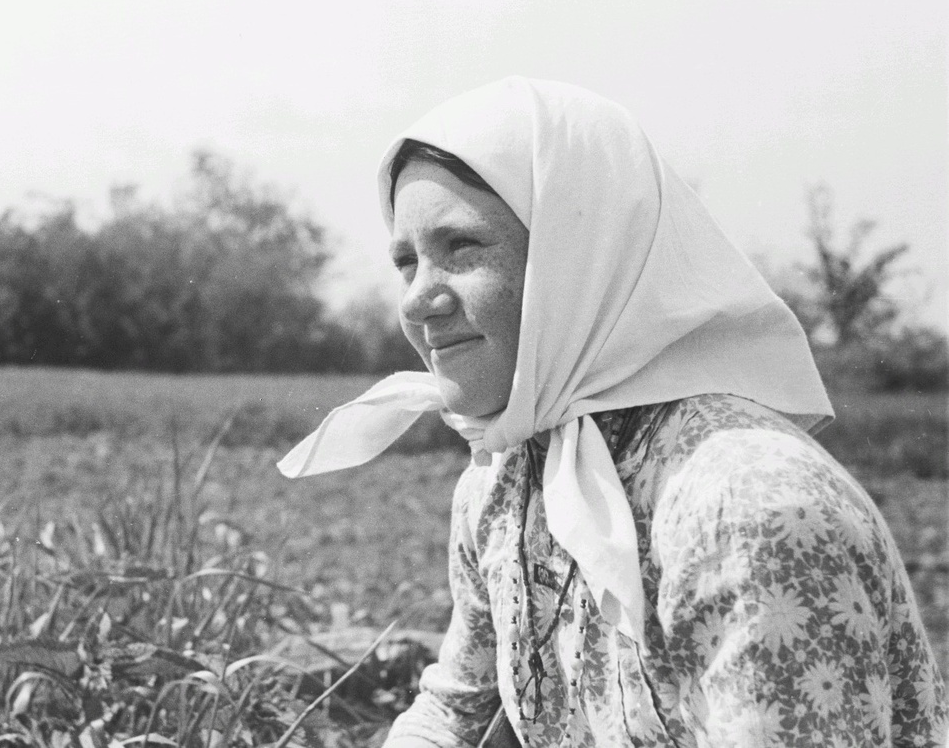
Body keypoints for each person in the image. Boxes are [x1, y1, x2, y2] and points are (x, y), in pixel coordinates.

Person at [278, 77, 947, 747]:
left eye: (463, 248)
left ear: (579, 259)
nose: (419, 299)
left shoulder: (749, 508)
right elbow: (455, 711)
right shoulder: (503, 481)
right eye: (406, 261)